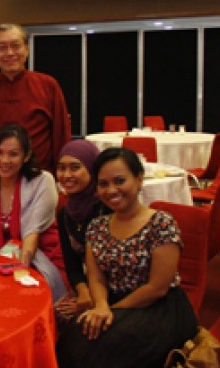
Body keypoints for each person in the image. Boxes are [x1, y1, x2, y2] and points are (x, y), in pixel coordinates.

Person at [56, 147, 197, 368]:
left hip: (160, 308)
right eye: (103, 184)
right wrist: (101, 305)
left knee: (105, 347)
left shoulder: (161, 223)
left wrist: (111, 310)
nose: (111, 190)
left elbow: (157, 288)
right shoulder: (97, 226)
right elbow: (96, 278)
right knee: (73, 336)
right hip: (112, 302)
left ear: (139, 180)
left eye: (120, 181)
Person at [0, 24, 71, 206]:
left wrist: (63, 182)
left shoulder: (48, 85)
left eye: (16, 45)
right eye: (2, 47)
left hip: (39, 184)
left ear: (26, 48)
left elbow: (61, 135)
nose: (10, 53)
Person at [0, 124, 67, 301]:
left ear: (26, 156)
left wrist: (19, 274)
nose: (5, 160)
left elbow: (31, 236)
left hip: (40, 261)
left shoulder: (42, 182)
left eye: (13, 154)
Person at [54, 140, 112, 319]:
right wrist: (83, 292)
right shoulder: (65, 213)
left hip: (114, 291)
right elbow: (71, 265)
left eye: (75, 167)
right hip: (88, 288)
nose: (66, 175)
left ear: (92, 169)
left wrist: (93, 300)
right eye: (61, 168)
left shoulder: (107, 208)